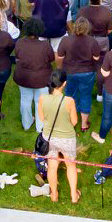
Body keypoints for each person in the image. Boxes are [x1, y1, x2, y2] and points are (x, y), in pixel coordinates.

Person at [35, 71, 81, 203]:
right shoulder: (69, 101)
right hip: (67, 138)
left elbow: (42, 118)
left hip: (49, 137)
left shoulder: (43, 98)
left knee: (52, 166)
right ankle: (73, 195)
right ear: (64, 84)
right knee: (71, 165)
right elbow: (74, 122)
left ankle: (54, 195)